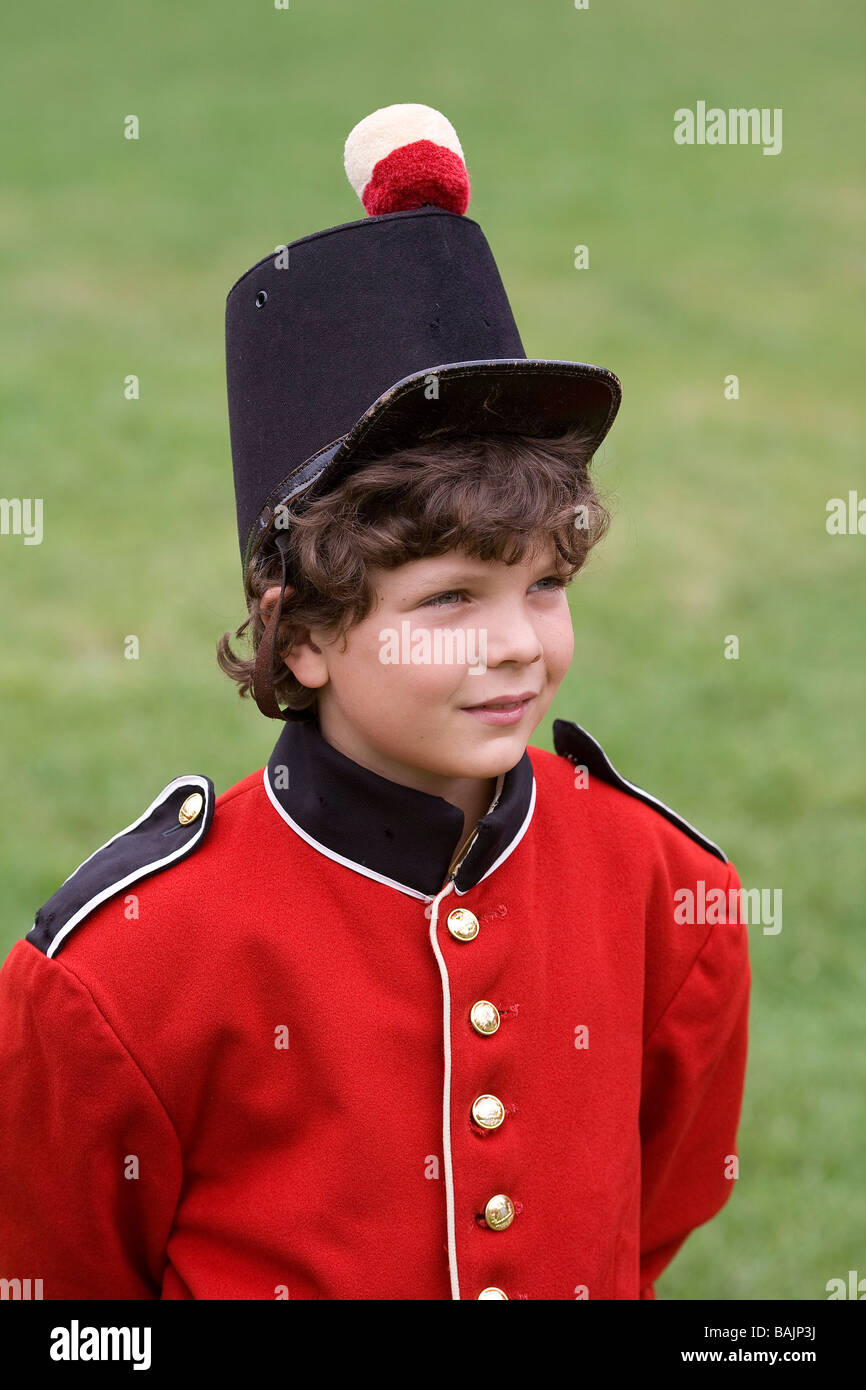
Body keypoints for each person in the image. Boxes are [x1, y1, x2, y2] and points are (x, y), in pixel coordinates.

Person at [0, 104, 750, 1301]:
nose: (516, 645)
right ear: (301, 633)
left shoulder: (668, 889)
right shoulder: (119, 972)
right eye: (449, 598)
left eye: (544, 584)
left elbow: (644, 1221)